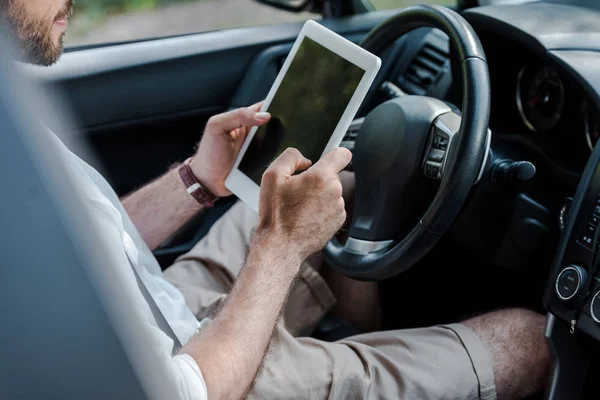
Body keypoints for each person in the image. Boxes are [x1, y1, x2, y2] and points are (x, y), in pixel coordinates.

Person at [1, 0, 551, 399]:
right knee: (531, 340)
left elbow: (79, 248)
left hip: (153, 309)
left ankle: (362, 351)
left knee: (349, 183)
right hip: (202, 376)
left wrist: (197, 178)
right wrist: (282, 244)